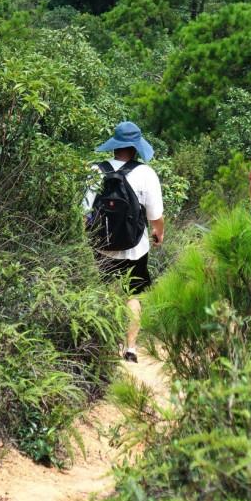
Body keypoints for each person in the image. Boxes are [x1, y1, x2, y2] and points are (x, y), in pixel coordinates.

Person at [84, 121, 164, 364]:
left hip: (102, 245)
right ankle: (130, 349)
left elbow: (84, 212)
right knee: (133, 296)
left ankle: (107, 344)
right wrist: (158, 234)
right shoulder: (146, 174)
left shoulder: (95, 170)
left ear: (114, 145)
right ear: (136, 147)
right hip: (135, 248)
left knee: (107, 292)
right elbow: (155, 216)